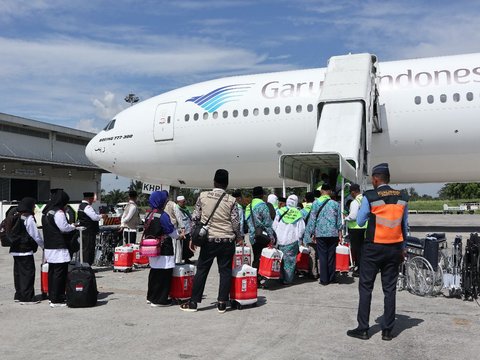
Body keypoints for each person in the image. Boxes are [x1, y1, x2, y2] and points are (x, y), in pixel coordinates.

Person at [347, 163, 408, 341]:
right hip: (395, 248)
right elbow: (405, 225)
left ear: (375, 179)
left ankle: (363, 328)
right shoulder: (402, 196)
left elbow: (359, 221)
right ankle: (388, 331)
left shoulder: (370, 196)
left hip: (373, 248)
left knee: (366, 287)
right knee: (390, 289)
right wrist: (403, 247)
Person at [180, 169, 241, 313]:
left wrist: (193, 238)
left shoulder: (203, 196)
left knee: (202, 270)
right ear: (226, 184)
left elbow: (195, 218)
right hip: (227, 240)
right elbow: (236, 223)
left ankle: (194, 302)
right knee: (225, 271)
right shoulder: (231, 200)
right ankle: (221, 303)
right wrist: (238, 238)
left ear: (214, 182)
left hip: (209, 240)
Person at [42, 190, 77, 307]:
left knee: (52, 272)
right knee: (59, 274)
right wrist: (72, 226)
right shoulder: (59, 213)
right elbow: (64, 228)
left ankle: (52, 297)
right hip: (58, 247)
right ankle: (57, 299)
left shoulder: (47, 212)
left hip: (49, 247)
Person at [302, 184, 342, 285]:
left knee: (322, 256)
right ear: (330, 192)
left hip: (320, 233)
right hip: (333, 233)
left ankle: (324, 279)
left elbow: (312, 219)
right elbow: (339, 221)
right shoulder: (335, 204)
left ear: (321, 191)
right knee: (331, 256)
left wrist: (310, 233)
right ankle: (332, 277)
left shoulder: (315, 203)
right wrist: (340, 233)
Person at [145, 191, 179, 307]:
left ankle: (151, 297)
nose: (165, 203)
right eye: (164, 201)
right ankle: (160, 300)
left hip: (152, 248)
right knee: (164, 273)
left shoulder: (149, 214)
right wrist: (179, 235)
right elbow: (171, 231)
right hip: (163, 248)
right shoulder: (163, 215)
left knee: (154, 272)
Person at [8, 197, 44, 304]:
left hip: (15, 249)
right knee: (28, 274)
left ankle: (18, 295)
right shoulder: (29, 218)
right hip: (25, 249)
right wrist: (43, 246)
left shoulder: (15, 215)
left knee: (18, 273)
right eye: (33, 206)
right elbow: (35, 235)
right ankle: (27, 298)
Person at [273, 195, 305, 285]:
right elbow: (301, 229)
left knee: (280, 259)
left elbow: (274, 225)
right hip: (292, 240)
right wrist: (299, 239)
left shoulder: (280, 211)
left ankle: (280, 276)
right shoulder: (298, 213)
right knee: (290, 261)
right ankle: (287, 279)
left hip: (279, 240)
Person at [245, 186, 275, 271]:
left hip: (252, 236)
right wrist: (271, 237)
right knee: (261, 258)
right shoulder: (263, 206)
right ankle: (258, 279)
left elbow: (247, 221)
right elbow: (267, 223)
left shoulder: (248, 206)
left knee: (256, 256)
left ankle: (254, 277)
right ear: (262, 195)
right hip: (262, 236)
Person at [344, 184, 367, 277]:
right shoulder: (365, 199)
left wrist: (346, 218)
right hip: (365, 227)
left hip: (355, 228)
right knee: (363, 249)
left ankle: (359, 269)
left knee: (357, 250)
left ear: (353, 192)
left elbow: (353, 216)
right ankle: (363, 268)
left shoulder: (354, 202)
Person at [78, 192, 104, 265]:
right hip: (89, 231)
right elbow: (94, 217)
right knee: (88, 249)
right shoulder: (87, 207)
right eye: (92, 199)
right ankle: (87, 266)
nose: (93, 201)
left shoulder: (81, 206)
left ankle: (83, 264)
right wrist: (102, 216)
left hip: (84, 231)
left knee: (84, 249)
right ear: (90, 199)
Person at [301, 191, 319, 279]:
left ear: (305, 199)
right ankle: (320, 271)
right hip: (319, 233)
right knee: (319, 253)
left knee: (312, 253)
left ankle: (313, 272)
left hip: (308, 234)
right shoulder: (318, 208)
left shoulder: (302, 211)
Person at [174, 195, 195, 263]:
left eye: (184, 201)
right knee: (182, 246)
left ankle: (187, 259)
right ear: (178, 202)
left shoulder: (185, 208)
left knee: (187, 245)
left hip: (188, 229)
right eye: (182, 202)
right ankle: (180, 259)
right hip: (182, 230)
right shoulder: (177, 208)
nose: (184, 203)